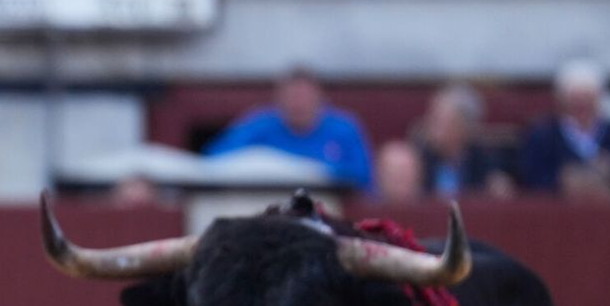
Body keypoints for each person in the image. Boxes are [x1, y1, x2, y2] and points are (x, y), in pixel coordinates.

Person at [203, 68, 374, 191]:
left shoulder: (344, 129)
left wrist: (317, 172)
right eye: (292, 97)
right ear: (278, 99)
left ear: (321, 99)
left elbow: (363, 177)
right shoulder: (259, 126)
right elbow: (215, 159)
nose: (298, 104)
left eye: (304, 97)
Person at [518, 58, 610, 197]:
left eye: (587, 98)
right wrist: (563, 178)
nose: (582, 106)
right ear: (562, 100)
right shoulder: (545, 135)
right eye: (575, 99)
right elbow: (530, 174)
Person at [413, 82, 514, 198]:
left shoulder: (486, 165)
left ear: (463, 127)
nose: (430, 125)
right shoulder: (419, 160)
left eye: (438, 120)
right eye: (431, 118)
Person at [373, 139, 423, 207]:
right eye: (393, 172)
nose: (400, 178)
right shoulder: (368, 209)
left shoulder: (431, 208)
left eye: (405, 171)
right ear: (379, 175)